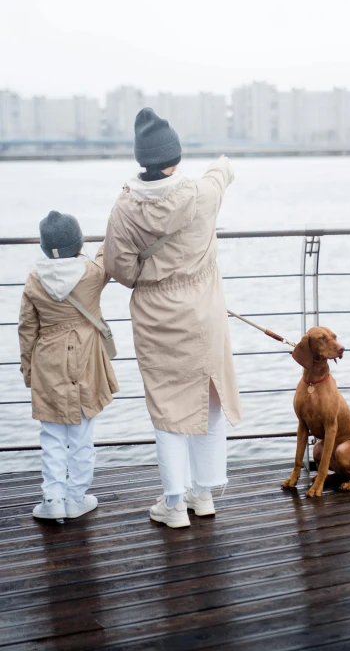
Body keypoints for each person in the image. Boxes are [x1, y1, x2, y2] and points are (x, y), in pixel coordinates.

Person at [104, 107, 241, 529]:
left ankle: (174, 504)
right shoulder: (202, 193)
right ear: (176, 157)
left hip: (157, 316)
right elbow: (222, 174)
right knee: (209, 397)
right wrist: (221, 165)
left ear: (142, 160)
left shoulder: (125, 208)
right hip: (205, 310)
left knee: (168, 408)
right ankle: (204, 494)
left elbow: (120, 268)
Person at [18, 211, 119, 520]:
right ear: (78, 243)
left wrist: (28, 372)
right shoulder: (91, 273)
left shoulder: (35, 278)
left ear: (45, 248)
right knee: (82, 434)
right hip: (86, 359)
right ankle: (76, 496)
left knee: (51, 436)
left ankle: (52, 499)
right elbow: (108, 257)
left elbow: (26, 329)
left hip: (47, 361)